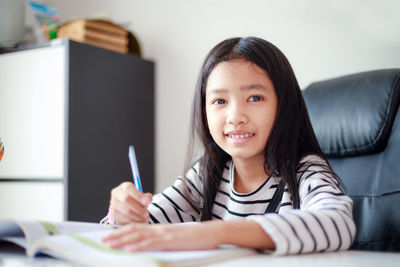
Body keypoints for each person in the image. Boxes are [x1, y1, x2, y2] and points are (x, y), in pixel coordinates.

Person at [101, 37, 356, 255]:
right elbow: (137, 233)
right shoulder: (207, 174)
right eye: (220, 100)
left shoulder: (304, 171)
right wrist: (122, 216)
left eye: (255, 98)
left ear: (284, 106)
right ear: (204, 112)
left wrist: (216, 233)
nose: (235, 116)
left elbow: (338, 224)